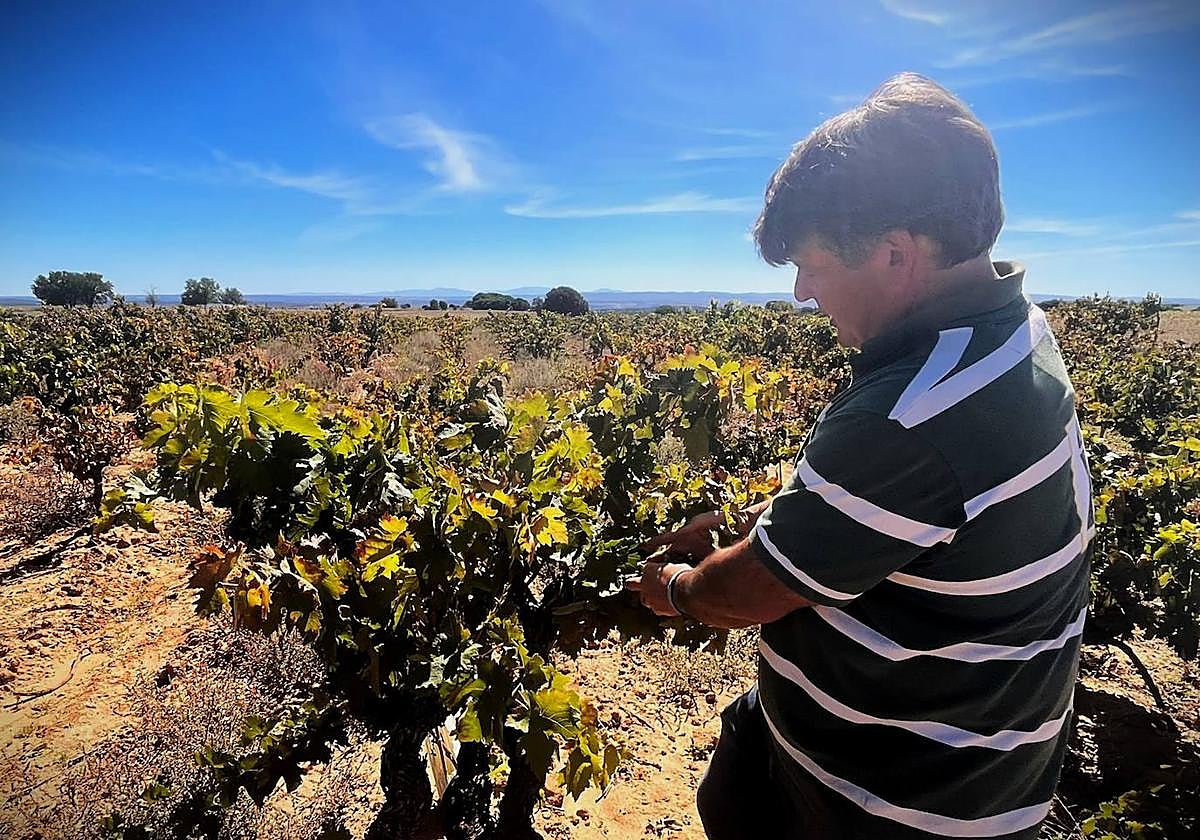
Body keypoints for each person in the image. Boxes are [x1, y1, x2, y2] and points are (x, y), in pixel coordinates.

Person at [627, 72, 1092, 839]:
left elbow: (752, 593)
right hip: (940, 751)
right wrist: (765, 519)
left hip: (902, 800)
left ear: (895, 254)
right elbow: (919, 513)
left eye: (812, 265)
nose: (804, 294)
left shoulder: (915, 413)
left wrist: (677, 588)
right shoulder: (1010, 334)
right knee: (737, 774)